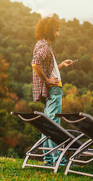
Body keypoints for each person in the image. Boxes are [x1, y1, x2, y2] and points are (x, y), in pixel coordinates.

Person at [31, 15, 74, 166]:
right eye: (56, 30)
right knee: (54, 125)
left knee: (47, 124)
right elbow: (35, 64)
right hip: (53, 90)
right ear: (50, 30)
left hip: (49, 90)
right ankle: (58, 160)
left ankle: (48, 159)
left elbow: (47, 68)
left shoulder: (40, 44)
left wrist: (60, 65)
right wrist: (47, 80)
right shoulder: (44, 47)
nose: (58, 34)